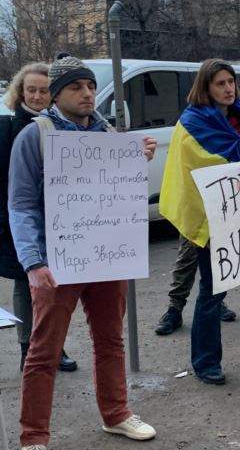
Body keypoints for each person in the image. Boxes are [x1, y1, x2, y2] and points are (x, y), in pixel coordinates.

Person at [9, 56, 157, 449]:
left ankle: (117, 414)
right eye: (77, 87)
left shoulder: (110, 135)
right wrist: (33, 262)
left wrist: (136, 158)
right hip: (56, 262)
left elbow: (119, 196)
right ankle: (34, 436)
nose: (88, 94)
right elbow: (21, 205)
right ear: (57, 95)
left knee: (110, 340)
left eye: (90, 86)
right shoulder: (35, 136)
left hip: (107, 258)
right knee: (44, 350)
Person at [159, 59, 240, 385]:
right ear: (206, 87)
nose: (228, 88)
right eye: (220, 83)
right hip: (213, 218)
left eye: (231, 81)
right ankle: (205, 362)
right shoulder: (191, 123)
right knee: (212, 292)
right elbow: (206, 164)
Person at [0, 63, 78, 373]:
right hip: (17, 222)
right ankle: (27, 349)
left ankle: (54, 347)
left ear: (53, 94)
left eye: (43, 90)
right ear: (20, 92)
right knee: (25, 284)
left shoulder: (64, 127)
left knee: (55, 288)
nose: (35, 96)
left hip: (60, 223)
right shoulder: (6, 129)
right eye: (30, 90)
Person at [154, 236, 237, 336]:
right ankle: (175, 309)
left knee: (219, 257)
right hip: (195, 224)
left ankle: (216, 303)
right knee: (187, 257)